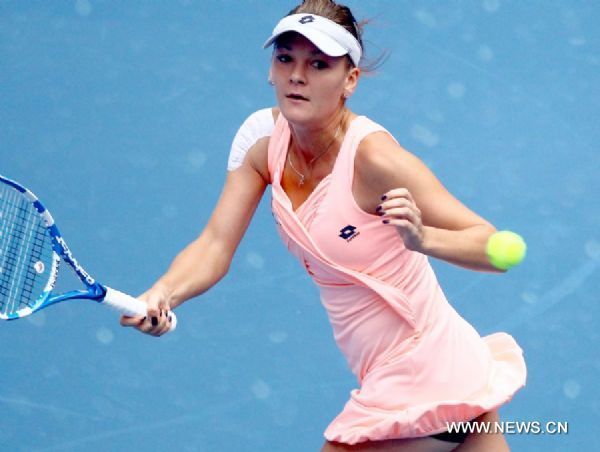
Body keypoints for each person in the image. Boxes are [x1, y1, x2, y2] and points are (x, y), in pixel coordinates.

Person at [121, 1, 526, 450]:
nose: (297, 75)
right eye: (285, 58)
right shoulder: (261, 141)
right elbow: (215, 244)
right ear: (270, 70)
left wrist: (422, 238)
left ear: (350, 80)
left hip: (424, 375)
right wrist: (163, 293)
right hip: (442, 374)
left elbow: (489, 244)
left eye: (319, 64)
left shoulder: (374, 160)